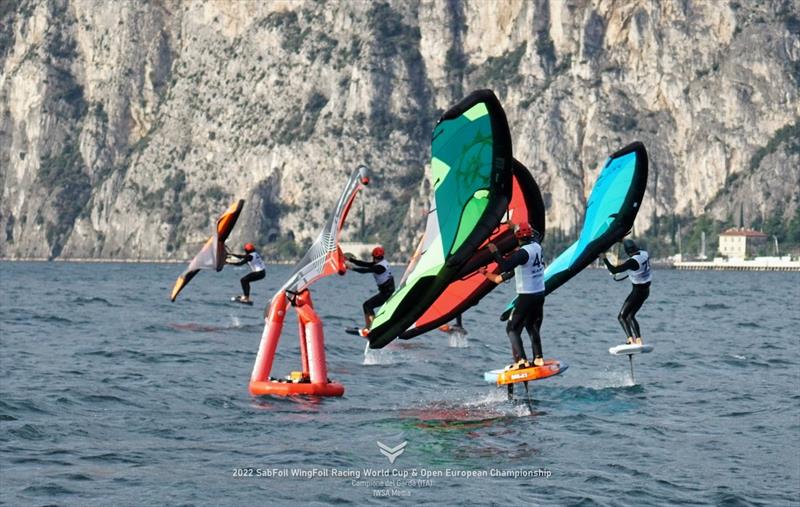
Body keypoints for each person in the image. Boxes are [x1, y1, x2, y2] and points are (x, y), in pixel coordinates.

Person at [482, 222, 546, 369]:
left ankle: (522, 361)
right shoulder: (537, 245)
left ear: (518, 239)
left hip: (527, 296)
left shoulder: (522, 254)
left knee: (512, 329)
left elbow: (504, 266)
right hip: (540, 293)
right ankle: (538, 358)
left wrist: (494, 251)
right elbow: (536, 234)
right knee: (531, 325)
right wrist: (515, 226)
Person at [599, 238, 651, 345]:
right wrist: (622, 240)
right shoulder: (644, 253)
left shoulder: (632, 262)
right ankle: (639, 340)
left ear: (627, 252)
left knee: (622, 317)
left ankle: (630, 340)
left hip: (637, 292)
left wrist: (604, 258)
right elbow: (632, 247)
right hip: (646, 291)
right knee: (630, 316)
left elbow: (614, 270)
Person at [345, 246, 395, 328]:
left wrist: (352, 268)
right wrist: (351, 260)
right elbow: (364, 264)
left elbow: (365, 270)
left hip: (386, 293)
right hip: (387, 291)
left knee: (368, 305)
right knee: (366, 305)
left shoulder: (380, 267)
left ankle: (374, 327)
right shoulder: (382, 263)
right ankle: (368, 327)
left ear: (374, 257)